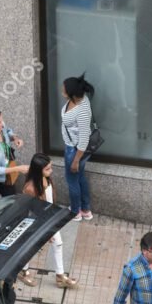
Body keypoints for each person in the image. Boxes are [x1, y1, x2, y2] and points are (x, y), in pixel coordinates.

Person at [20, 153, 78, 289]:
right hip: (37, 223)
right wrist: (47, 230)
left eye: (50, 167)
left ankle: (60, 276)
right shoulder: (30, 188)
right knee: (31, 247)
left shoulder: (45, 178)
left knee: (58, 243)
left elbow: (49, 201)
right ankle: (23, 271)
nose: (51, 171)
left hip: (49, 218)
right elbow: (34, 211)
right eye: (47, 169)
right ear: (37, 170)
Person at [60, 74, 95, 221]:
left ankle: (75, 212)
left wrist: (75, 160)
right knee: (80, 178)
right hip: (74, 148)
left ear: (72, 93)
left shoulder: (82, 111)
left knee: (72, 181)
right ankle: (85, 209)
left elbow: (84, 137)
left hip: (75, 150)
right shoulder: (81, 98)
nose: (62, 90)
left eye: (64, 89)